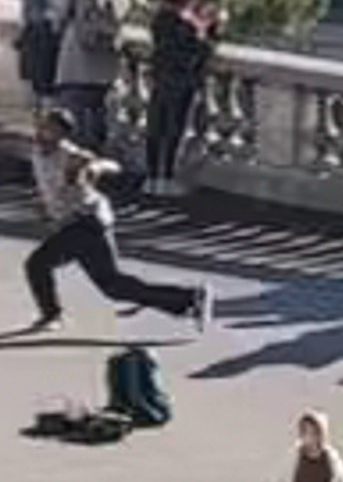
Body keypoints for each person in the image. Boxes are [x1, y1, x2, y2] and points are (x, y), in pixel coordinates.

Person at [24, 107, 207, 332]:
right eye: (42, 127)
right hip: (78, 224)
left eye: (49, 130)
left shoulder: (71, 155)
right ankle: (188, 299)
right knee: (113, 286)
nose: (42, 133)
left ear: (62, 135)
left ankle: (51, 316)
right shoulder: (36, 147)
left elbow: (110, 164)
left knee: (37, 264)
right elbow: (9, 134)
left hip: (86, 222)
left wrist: (94, 168)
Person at [141, 0, 221, 193]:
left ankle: (152, 177)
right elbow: (202, 49)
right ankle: (167, 177)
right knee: (174, 130)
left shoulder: (159, 20)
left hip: (161, 76)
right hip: (182, 79)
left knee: (156, 128)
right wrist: (212, 29)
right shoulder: (183, 24)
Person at [53, 0, 129, 143]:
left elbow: (59, 14)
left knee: (72, 107)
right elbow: (121, 13)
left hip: (76, 50)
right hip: (105, 52)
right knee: (100, 106)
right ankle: (97, 150)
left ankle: (73, 150)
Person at [19, 0, 73, 121]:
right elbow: (30, 12)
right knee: (39, 89)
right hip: (41, 40)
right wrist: (50, 18)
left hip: (62, 43)